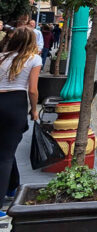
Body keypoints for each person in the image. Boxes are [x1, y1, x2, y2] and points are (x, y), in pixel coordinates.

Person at [0, 27, 41, 216]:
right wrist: (34, 110)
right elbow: (33, 89)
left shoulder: (2, 57)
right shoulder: (33, 59)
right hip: (15, 104)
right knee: (5, 155)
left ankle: (12, 186)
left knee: (7, 150)